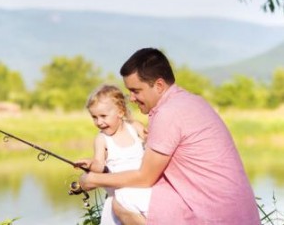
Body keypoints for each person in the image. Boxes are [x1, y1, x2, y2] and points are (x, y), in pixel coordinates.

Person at [79, 48, 260, 225]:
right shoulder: (191, 101)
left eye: (136, 91)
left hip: (213, 212)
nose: (131, 98)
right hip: (237, 209)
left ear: (158, 85)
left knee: (124, 200)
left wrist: (94, 179)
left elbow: (145, 178)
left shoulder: (168, 113)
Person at [75, 84, 152, 225]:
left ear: (120, 112)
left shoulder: (135, 127)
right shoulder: (102, 139)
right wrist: (91, 164)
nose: (99, 122)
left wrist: (149, 138)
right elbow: (99, 165)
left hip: (143, 190)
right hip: (118, 195)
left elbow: (151, 144)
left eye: (103, 116)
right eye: (94, 117)